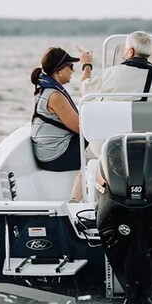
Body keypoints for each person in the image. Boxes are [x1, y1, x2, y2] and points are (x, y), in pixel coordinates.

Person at [30, 46, 92, 202]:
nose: (73, 71)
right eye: (70, 66)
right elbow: (81, 128)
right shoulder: (54, 95)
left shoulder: (46, 89)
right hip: (55, 157)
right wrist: (87, 67)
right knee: (102, 146)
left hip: (50, 152)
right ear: (58, 71)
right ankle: (77, 198)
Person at [79, 30, 152, 99]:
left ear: (130, 51)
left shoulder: (110, 74)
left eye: (125, 48)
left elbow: (84, 93)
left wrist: (87, 65)